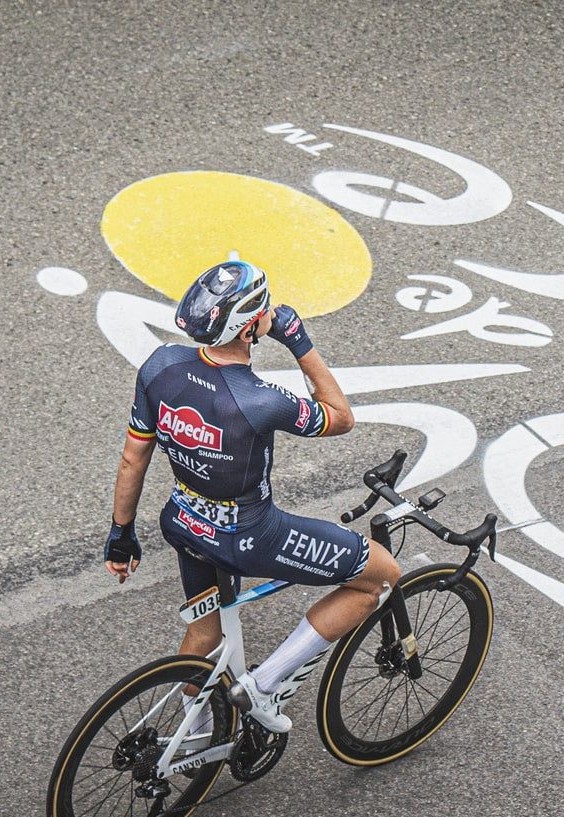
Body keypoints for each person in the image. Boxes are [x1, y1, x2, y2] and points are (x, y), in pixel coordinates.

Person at [102, 261, 401, 734]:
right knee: (381, 578)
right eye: (265, 306)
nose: (272, 310)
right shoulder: (261, 399)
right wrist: (298, 339)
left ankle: (192, 739)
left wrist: (121, 536)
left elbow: (132, 460)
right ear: (249, 329)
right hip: (250, 537)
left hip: (182, 521)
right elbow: (341, 417)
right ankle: (261, 686)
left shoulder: (159, 367)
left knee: (205, 630)